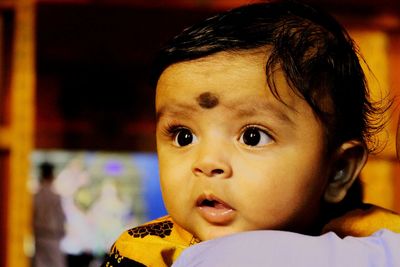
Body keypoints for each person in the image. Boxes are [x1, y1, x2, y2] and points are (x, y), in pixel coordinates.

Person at [102, 1, 400, 266]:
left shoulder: (374, 242)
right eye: (184, 136)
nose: (206, 163)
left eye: (252, 136)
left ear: (338, 170)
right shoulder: (146, 252)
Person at [33, 162, 67, 267]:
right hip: (52, 238)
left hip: (39, 238)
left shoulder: (35, 196)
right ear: (52, 177)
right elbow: (62, 219)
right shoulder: (55, 198)